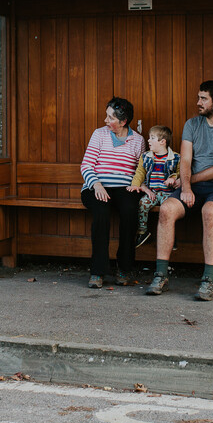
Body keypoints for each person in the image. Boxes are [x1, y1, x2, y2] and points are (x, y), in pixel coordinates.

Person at [145, 79, 213, 301]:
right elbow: (186, 160)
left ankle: (209, 280)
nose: (198, 102)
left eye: (203, 98)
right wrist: (186, 186)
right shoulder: (191, 125)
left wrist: (189, 181)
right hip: (192, 184)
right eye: (198, 97)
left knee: (209, 212)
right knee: (167, 209)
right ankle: (160, 275)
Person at [79, 97, 145, 289]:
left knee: (130, 211)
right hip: (97, 186)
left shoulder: (138, 140)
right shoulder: (99, 134)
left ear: (123, 121)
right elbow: (87, 165)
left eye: (111, 118)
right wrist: (96, 184)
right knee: (101, 212)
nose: (106, 121)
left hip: (125, 188)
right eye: (106, 116)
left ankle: (125, 268)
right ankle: (97, 271)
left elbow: (140, 170)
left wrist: (140, 186)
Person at [126, 125, 180, 248]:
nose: (148, 140)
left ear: (162, 142)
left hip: (168, 194)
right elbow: (140, 172)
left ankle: (171, 235)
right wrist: (135, 185)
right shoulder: (146, 157)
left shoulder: (176, 158)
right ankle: (143, 232)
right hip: (152, 192)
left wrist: (173, 177)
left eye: (152, 138)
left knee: (170, 209)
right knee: (142, 204)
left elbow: (181, 172)